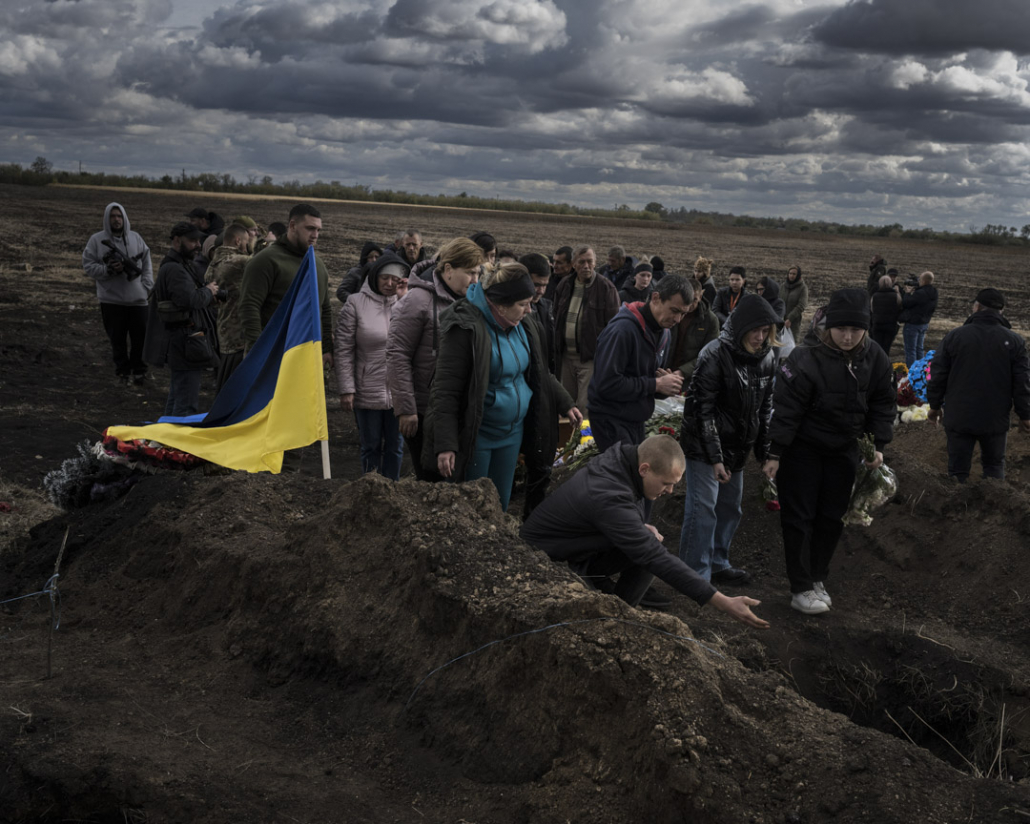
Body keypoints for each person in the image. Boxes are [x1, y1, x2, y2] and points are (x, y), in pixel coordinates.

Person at [520, 434, 769, 628]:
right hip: (547, 562)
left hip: (575, 547)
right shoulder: (609, 494)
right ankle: (612, 620)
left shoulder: (622, 463)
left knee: (648, 541)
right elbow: (653, 556)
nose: (670, 491)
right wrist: (721, 601)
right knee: (649, 553)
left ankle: (621, 612)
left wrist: (636, 525)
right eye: (666, 483)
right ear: (645, 469)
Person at [762, 288, 895, 615]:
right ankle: (800, 588)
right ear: (829, 326)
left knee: (832, 517)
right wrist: (775, 452)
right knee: (799, 517)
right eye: (841, 329)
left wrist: (877, 445)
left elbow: (883, 402)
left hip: (844, 450)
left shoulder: (875, 357)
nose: (847, 337)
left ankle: (817, 576)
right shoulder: (805, 357)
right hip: (803, 449)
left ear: (866, 328)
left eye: (855, 329)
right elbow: (787, 409)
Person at [423, 263, 575, 511]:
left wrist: (565, 402)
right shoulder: (466, 328)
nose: (529, 309)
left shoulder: (524, 325)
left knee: (500, 503)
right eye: (523, 304)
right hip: (478, 435)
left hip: (512, 433)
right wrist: (446, 444)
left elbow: (539, 371)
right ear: (501, 304)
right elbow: (446, 391)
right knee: (473, 506)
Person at [679, 295, 780, 586]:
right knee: (703, 508)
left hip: (738, 446)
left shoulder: (767, 358)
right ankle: (693, 575)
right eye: (754, 330)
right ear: (741, 328)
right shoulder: (714, 354)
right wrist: (715, 458)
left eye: (765, 331)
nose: (760, 337)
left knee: (730, 507)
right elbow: (703, 410)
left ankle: (717, 563)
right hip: (704, 445)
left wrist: (765, 452)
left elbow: (765, 408)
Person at [387, 238, 484, 482]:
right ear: (448, 269)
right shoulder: (417, 300)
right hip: (423, 409)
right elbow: (397, 354)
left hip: (454, 406)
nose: (475, 280)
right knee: (432, 478)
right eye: (470, 273)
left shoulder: (471, 302)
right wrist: (406, 408)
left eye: (478, 273)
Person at [927, 288, 1030, 482]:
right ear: (1001, 311)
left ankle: (957, 499)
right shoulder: (1014, 341)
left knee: (957, 471)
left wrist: (934, 405)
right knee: (994, 466)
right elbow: (1022, 382)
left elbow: (938, 375)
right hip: (995, 417)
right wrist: (1025, 415)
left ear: (976, 307)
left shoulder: (955, 336)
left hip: (959, 415)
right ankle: (995, 500)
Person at [588, 275, 692, 452]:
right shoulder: (622, 330)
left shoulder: (664, 333)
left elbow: (646, 381)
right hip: (610, 418)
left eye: (683, 313)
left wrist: (664, 385)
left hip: (636, 418)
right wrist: (656, 384)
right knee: (624, 469)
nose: (678, 319)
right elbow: (606, 384)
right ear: (656, 298)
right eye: (674, 310)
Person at [335, 253, 408, 480]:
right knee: (371, 446)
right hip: (367, 388)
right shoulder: (355, 303)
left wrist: (405, 299)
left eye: (395, 279)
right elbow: (344, 349)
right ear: (375, 276)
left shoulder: (407, 303)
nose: (389, 284)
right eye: (384, 278)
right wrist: (347, 389)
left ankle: (392, 490)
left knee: (396, 446)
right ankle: (369, 489)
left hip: (398, 391)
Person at [520, 252, 581, 517]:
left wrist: (565, 402)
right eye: (536, 285)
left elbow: (545, 365)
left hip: (543, 393)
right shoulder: (512, 313)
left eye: (545, 285)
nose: (540, 291)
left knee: (541, 466)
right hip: (520, 397)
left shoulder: (544, 308)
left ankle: (531, 521)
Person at [238, 204, 334, 367]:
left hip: (306, 359)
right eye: (310, 228)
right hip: (271, 357)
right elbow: (249, 307)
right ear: (292, 226)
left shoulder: (318, 266)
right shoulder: (266, 260)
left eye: (318, 230)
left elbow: (324, 309)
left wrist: (326, 349)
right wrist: (258, 352)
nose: (315, 235)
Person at [142, 222, 220, 417]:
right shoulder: (175, 269)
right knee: (185, 404)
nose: (197, 245)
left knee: (178, 396)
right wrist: (209, 291)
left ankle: (165, 433)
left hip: (182, 340)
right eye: (192, 240)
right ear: (177, 240)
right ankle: (175, 435)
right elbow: (189, 300)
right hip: (185, 343)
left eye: (199, 241)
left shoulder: (178, 265)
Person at [82, 202, 154, 386]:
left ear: (124, 218)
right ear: (107, 218)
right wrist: (108, 270)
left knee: (141, 339)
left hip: (138, 300)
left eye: (119, 216)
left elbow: (147, 261)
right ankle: (123, 373)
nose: (116, 219)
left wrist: (146, 285)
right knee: (117, 340)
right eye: (113, 216)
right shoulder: (97, 240)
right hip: (112, 300)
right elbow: (88, 265)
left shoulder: (136, 238)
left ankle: (140, 372)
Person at [552, 246, 621, 415]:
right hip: (566, 358)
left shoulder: (606, 288)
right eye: (581, 262)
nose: (586, 266)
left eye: (590, 261)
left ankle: (584, 433)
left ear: (595, 263)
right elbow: (555, 317)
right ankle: (566, 433)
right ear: (573, 264)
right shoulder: (564, 285)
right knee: (565, 405)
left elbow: (614, 328)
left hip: (590, 359)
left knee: (585, 407)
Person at [207, 223, 251, 390]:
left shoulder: (213, 263)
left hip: (224, 328)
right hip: (238, 332)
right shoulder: (237, 261)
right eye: (246, 242)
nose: (247, 246)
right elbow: (265, 261)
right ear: (238, 241)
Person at [668, 278, 719, 386]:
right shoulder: (671, 312)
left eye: (694, 300)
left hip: (691, 378)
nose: (690, 304)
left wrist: (683, 371)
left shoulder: (710, 321)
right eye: (687, 298)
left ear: (700, 296)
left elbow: (709, 354)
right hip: (665, 371)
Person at [901, 271, 938, 366]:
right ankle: (920, 370)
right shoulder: (934, 292)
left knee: (911, 350)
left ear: (923, 280)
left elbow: (906, 303)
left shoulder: (920, 293)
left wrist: (907, 293)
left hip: (913, 324)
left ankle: (912, 371)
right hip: (924, 323)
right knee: (919, 348)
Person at [869, 274, 902, 356]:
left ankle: (877, 362)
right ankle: (885, 361)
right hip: (891, 325)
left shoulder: (875, 296)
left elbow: (872, 310)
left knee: (877, 347)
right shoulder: (896, 296)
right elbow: (900, 308)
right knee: (886, 347)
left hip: (877, 325)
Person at [783, 265, 808, 337]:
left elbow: (802, 305)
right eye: (790, 273)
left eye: (794, 274)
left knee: (792, 341)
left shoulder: (802, 288)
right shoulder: (783, 286)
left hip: (793, 322)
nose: (791, 276)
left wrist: (790, 318)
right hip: (780, 320)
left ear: (798, 275)